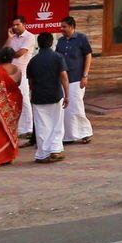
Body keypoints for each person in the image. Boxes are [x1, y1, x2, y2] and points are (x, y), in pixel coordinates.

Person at [24, 32, 70, 163]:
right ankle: (55, 150)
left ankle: (43, 154)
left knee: (41, 125)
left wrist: (33, 93)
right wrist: (67, 95)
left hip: (38, 96)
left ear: (39, 44)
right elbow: (64, 77)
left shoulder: (33, 61)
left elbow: (30, 82)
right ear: (51, 43)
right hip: (55, 95)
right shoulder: (58, 57)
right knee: (56, 123)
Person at [57, 15, 95, 146]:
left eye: (64, 27)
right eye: (61, 27)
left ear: (72, 27)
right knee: (65, 109)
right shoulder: (61, 41)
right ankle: (68, 135)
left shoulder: (81, 39)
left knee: (76, 106)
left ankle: (85, 132)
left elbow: (88, 56)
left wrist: (85, 75)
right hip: (64, 79)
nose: (62, 29)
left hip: (77, 78)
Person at [3, 17, 37, 145]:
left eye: (17, 24)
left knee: (24, 99)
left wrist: (7, 55)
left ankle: (28, 128)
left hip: (22, 72)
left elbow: (20, 53)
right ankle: (19, 127)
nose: (15, 27)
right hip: (10, 73)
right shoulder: (13, 38)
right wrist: (9, 38)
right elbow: (4, 50)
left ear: (24, 24)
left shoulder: (29, 37)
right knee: (13, 100)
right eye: (13, 25)